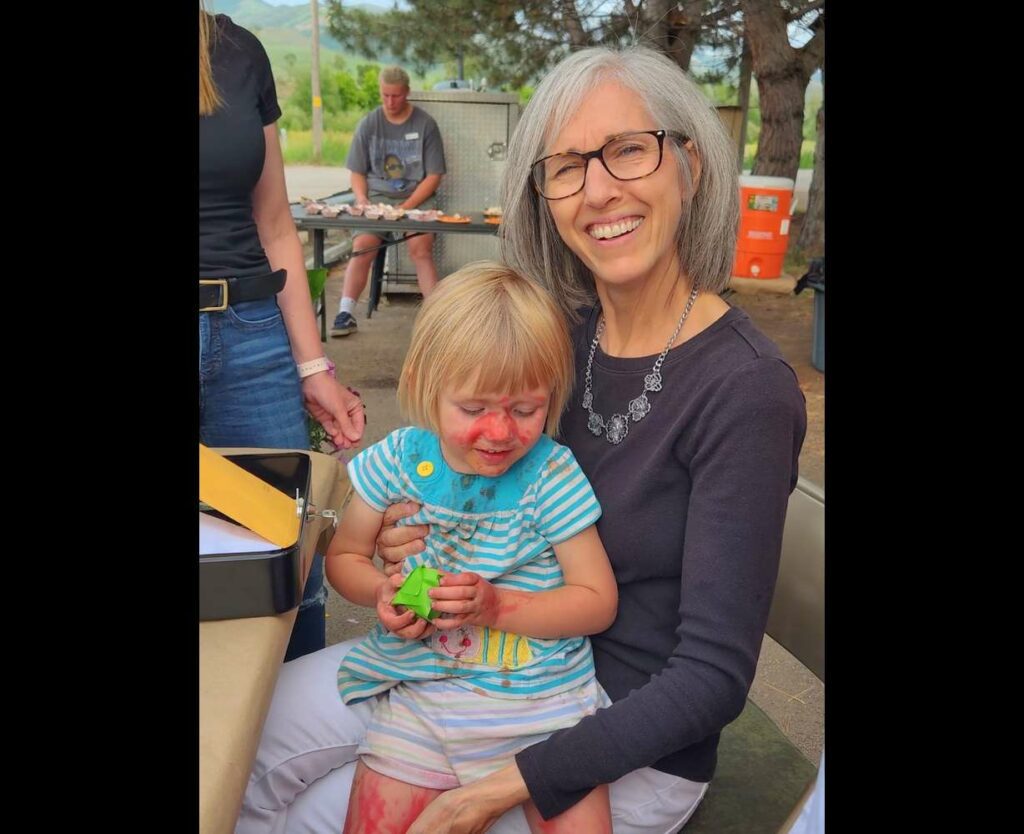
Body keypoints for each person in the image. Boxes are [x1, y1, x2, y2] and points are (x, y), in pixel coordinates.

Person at [235, 45, 807, 834]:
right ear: (543, 194)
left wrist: (506, 784)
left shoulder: (746, 390)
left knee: (316, 819)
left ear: (691, 167)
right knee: (241, 747)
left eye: (628, 150)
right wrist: (409, 535)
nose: (598, 188)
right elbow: (452, 468)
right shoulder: (555, 339)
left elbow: (711, 678)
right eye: (566, 166)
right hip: (463, 656)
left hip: (614, 727)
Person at [326, 262, 618, 833]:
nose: (499, 432)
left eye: (525, 410)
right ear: (425, 384)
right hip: (424, 693)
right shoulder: (397, 461)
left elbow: (596, 600)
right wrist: (383, 591)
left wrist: (496, 607)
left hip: (548, 705)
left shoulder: (550, 475)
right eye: (473, 408)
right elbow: (345, 559)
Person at [199, 5, 365, 660]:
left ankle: (290, 752)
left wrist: (311, 366)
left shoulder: (239, 51)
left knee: (289, 574)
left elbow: (274, 226)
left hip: (252, 334)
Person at [331, 66, 447, 337]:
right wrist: (362, 200)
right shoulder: (369, 123)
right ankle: (345, 312)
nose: (390, 102)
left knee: (420, 249)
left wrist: (405, 209)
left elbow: (434, 176)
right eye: (385, 96)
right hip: (378, 197)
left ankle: (437, 317)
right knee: (362, 246)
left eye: (396, 96)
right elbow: (357, 172)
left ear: (406, 93)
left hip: (417, 196)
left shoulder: (425, 124)